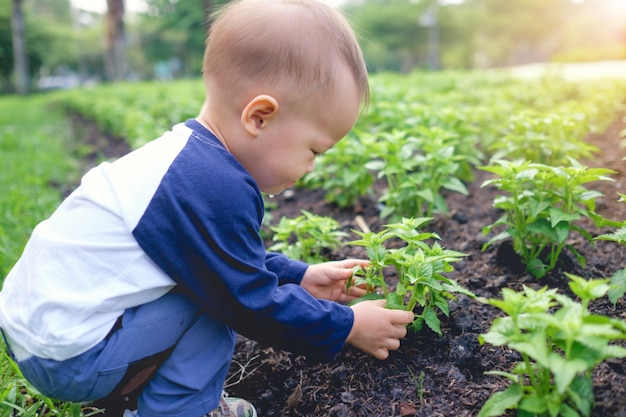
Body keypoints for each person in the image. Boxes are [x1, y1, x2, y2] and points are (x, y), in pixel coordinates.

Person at [0, 1, 414, 416]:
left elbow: (218, 258)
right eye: (314, 151)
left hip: (41, 336)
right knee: (215, 308)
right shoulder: (215, 185)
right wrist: (348, 326)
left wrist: (300, 276)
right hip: (70, 356)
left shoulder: (188, 162)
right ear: (260, 117)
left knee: (209, 286)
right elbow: (248, 299)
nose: (310, 167)